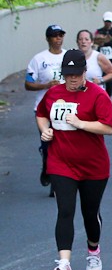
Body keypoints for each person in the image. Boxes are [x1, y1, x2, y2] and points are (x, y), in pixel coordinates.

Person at [36, 49, 112, 270]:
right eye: (68, 74)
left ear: (84, 72)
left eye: (76, 74)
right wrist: (45, 130)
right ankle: (64, 264)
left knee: (90, 213)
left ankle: (93, 251)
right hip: (61, 162)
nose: (71, 79)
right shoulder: (53, 93)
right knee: (65, 210)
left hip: (93, 166)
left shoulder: (98, 95)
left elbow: (108, 128)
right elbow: (41, 114)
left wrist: (81, 123)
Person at [26, 24, 67, 194]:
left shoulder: (69, 56)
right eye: (55, 35)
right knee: (47, 142)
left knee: (63, 144)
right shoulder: (38, 59)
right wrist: (46, 85)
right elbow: (28, 83)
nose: (58, 38)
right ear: (48, 38)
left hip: (65, 106)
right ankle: (46, 165)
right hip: (43, 108)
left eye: (60, 35)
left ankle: (59, 179)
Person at [94, 12, 112, 98]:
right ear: (103, 21)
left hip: (111, 59)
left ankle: (108, 97)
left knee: (109, 78)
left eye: (109, 21)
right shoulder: (98, 31)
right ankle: (100, 95)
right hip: (100, 58)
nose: (108, 23)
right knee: (100, 76)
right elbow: (93, 42)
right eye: (106, 21)